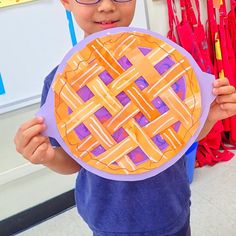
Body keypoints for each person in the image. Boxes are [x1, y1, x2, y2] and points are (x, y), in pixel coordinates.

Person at [14, 0, 236, 235]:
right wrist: (47, 156)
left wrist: (208, 118)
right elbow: (73, 161)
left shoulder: (167, 65)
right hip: (107, 217)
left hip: (169, 208)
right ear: (67, 2)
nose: (107, 6)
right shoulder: (61, 86)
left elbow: (184, 137)